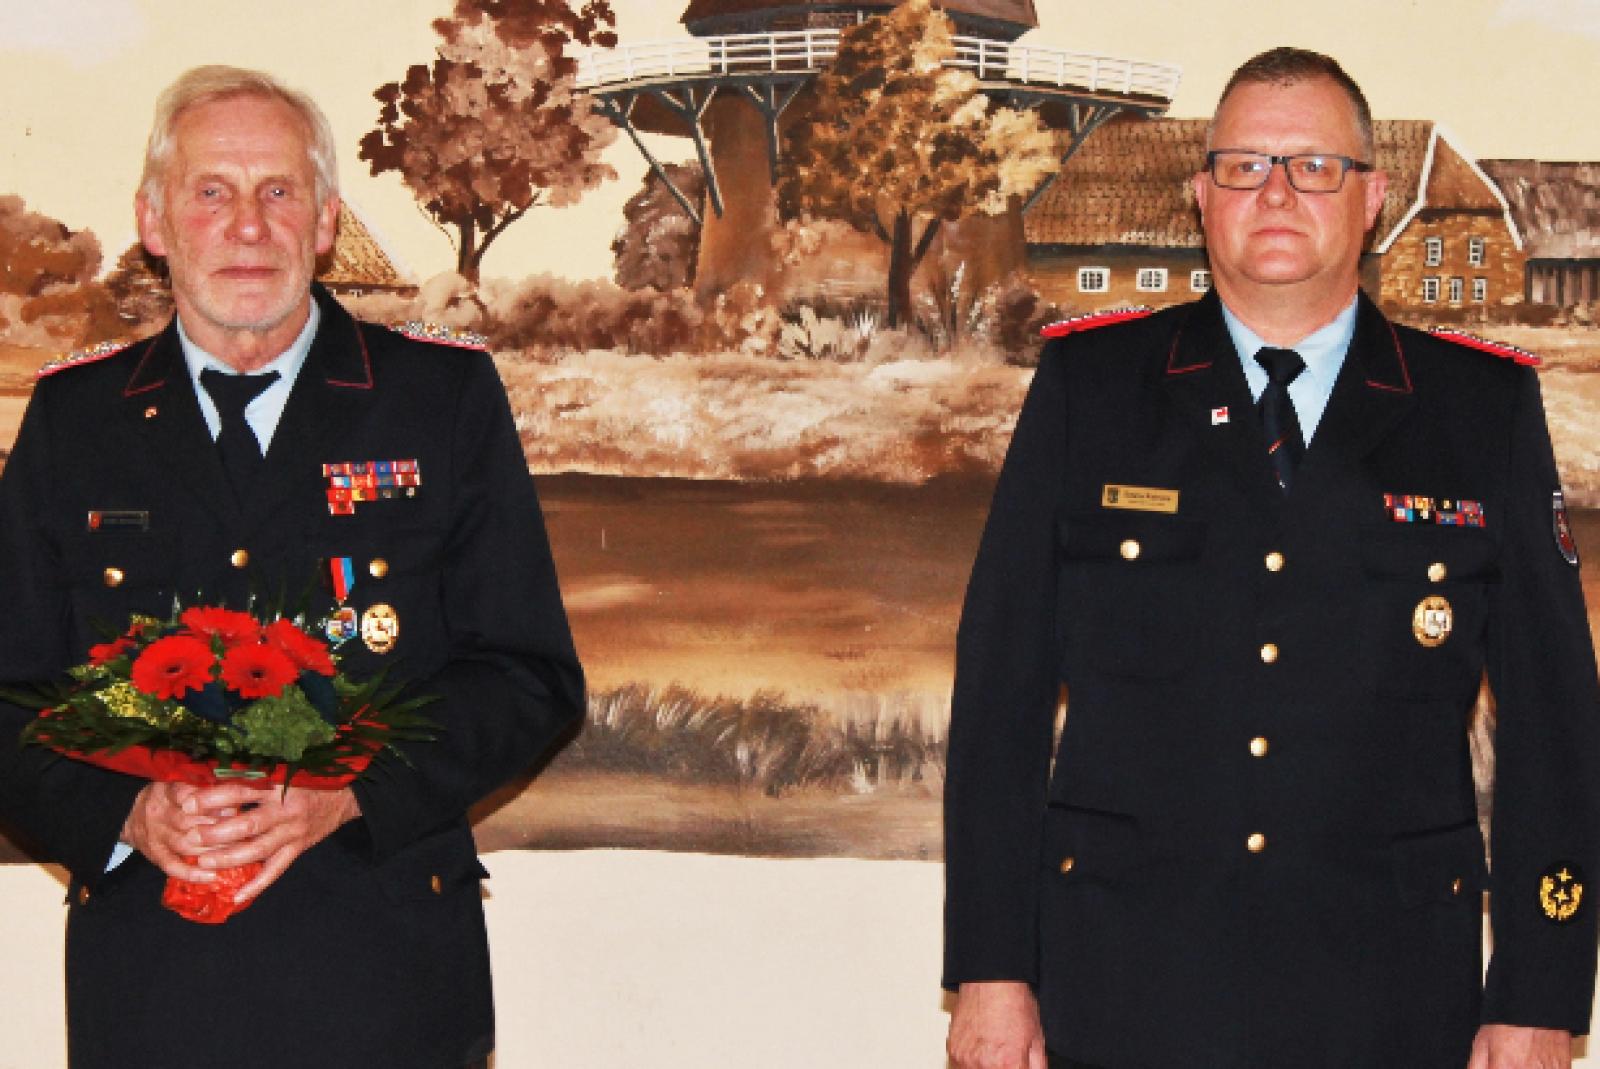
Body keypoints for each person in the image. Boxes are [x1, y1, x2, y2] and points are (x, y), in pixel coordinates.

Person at [943, 47, 1600, 1069]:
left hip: (1390, 996)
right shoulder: (1092, 389)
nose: (1278, 192)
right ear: (1201, 196)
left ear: (1372, 198)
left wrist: (1539, 993)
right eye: (1245, 166)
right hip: (1125, 986)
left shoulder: (1479, 411)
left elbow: (1556, 723)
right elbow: (1001, 695)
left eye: (1314, 166)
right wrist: (991, 967)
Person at [0, 66, 583, 1068]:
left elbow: (529, 678)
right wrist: (125, 812)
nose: (248, 225)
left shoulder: (439, 401)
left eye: (279, 190)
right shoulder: (74, 422)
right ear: (154, 220)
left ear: (324, 224)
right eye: (211, 191)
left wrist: (349, 791)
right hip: (153, 989)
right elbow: (9, 692)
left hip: (386, 981)